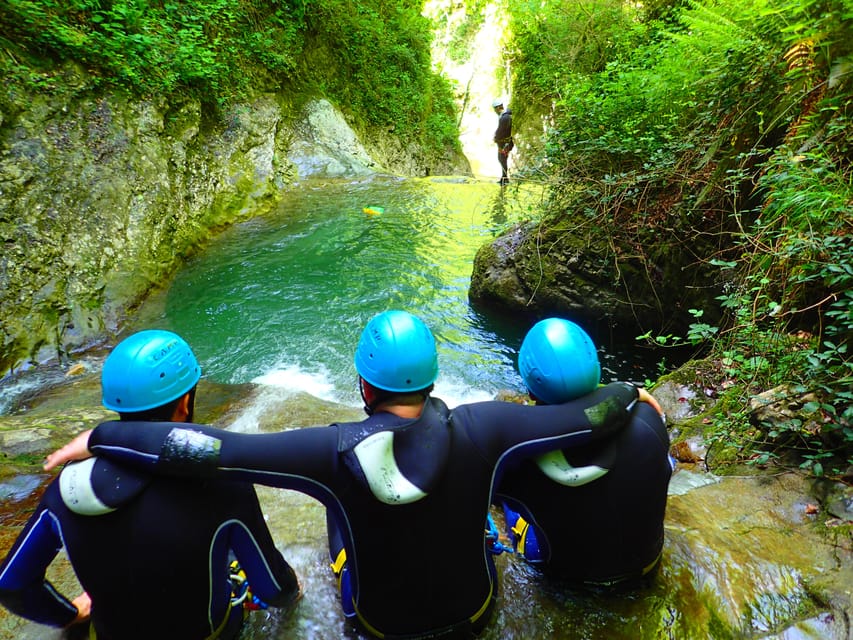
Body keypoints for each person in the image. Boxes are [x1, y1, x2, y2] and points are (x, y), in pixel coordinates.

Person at [44, 311, 651, 639]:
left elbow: (217, 450)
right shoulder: (488, 426)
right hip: (476, 612)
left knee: (339, 510)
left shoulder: (328, 451)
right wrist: (632, 391)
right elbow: (586, 415)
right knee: (488, 494)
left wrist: (104, 435)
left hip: (378, 625)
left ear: (362, 384)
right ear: (434, 378)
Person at [0, 330, 300, 639]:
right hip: (214, 632)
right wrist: (295, 590)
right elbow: (275, 590)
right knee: (231, 553)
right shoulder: (222, 483)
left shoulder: (69, 487)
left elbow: (11, 584)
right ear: (184, 403)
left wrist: (69, 614)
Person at [494, 318, 674, 587]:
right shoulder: (648, 415)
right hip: (646, 563)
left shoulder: (522, 455)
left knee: (507, 503)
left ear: (531, 388)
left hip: (569, 576)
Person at [492, 98, 513, 185]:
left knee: (502, 159)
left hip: (504, 143)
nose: (495, 111)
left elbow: (502, 130)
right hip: (504, 142)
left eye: (495, 109)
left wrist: (496, 137)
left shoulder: (505, 117)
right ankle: (504, 178)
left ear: (497, 108)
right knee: (502, 159)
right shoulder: (505, 116)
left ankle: (505, 179)